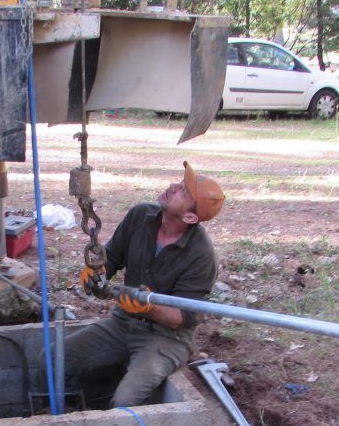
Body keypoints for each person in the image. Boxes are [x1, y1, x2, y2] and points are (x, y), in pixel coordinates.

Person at [63, 161, 225, 408]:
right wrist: (96, 270)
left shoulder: (201, 255)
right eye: (180, 183)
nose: (173, 186)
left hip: (166, 339)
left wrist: (149, 307)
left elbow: (184, 316)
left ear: (190, 216)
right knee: (54, 358)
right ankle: (70, 411)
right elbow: (113, 257)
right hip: (122, 323)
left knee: (124, 403)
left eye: (183, 191)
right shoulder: (141, 216)